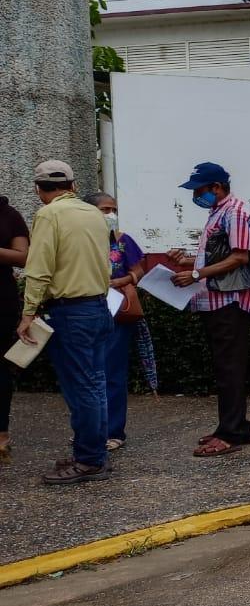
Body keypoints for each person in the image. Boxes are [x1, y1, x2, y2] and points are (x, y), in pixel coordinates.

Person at [16, 161, 112, 484]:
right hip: (99, 306)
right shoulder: (94, 214)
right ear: (72, 185)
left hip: (71, 312)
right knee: (96, 385)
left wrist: (28, 312)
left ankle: (89, 460)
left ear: (38, 190)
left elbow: (39, 268)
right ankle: (95, 454)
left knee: (82, 389)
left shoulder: (48, 215)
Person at [171, 162, 250, 458]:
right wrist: (189, 262)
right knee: (225, 369)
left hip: (229, 302)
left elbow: (239, 257)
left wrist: (197, 275)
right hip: (216, 300)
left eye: (199, 190)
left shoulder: (234, 212)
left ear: (216, 187)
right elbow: (220, 256)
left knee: (230, 369)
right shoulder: (219, 212)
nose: (195, 195)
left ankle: (231, 433)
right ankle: (232, 428)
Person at [85, 191, 156, 451]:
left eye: (113, 209)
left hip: (117, 313)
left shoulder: (123, 241)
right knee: (86, 374)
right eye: (104, 210)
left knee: (112, 372)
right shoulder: (80, 239)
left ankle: (114, 431)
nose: (110, 215)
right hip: (85, 311)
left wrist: (124, 280)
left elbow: (139, 268)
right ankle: (90, 431)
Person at [0, 191, 29, 465]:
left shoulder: (9, 216)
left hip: (1, 302)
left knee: (0, 368)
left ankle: (1, 437)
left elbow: (23, 257)